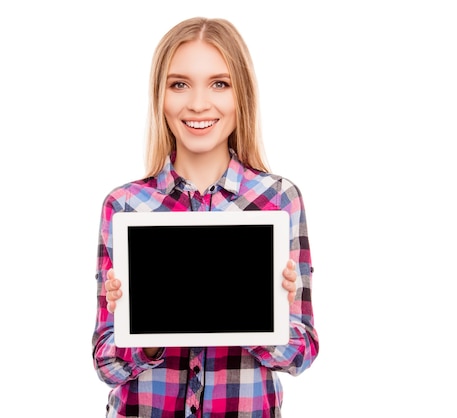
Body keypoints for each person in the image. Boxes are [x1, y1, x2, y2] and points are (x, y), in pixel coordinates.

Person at [92, 17, 318, 417]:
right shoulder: (125, 206)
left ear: (241, 95)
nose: (198, 103)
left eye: (219, 83)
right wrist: (139, 325)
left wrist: (268, 308)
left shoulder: (278, 200)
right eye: (179, 84)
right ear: (159, 97)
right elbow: (107, 364)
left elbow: (300, 354)